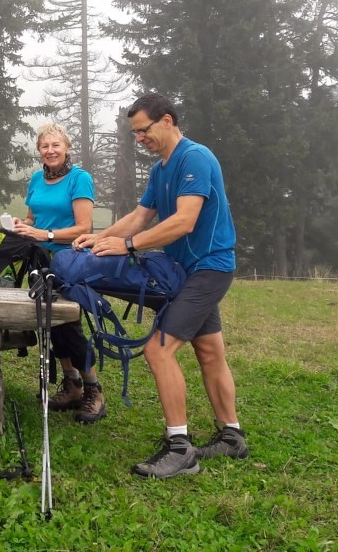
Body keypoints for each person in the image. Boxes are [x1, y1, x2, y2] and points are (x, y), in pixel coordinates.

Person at [75, 92, 245, 478]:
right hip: (185, 271)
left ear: (167, 120)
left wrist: (128, 245)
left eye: (144, 130)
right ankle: (232, 436)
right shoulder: (160, 169)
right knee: (209, 351)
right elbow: (139, 216)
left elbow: (184, 221)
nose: (140, 139)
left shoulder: (195, 158)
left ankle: (180, 448)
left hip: (209, 268)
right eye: (135, 134)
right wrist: (100, 238)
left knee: (159, 350)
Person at [5, 122, 106, 424]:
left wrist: (45, 235)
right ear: (39, 150)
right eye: (44, 146)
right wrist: (22, 227)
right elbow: (32, 218)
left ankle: (93, 389)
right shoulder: (37, 178)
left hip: (70, 260)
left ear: (67, 148)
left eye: (55, 145)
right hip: (40, 259)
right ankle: (72, 384)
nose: (50, 151)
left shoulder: (80, 179)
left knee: (68, 322)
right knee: (49, 322)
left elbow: (83, 228)